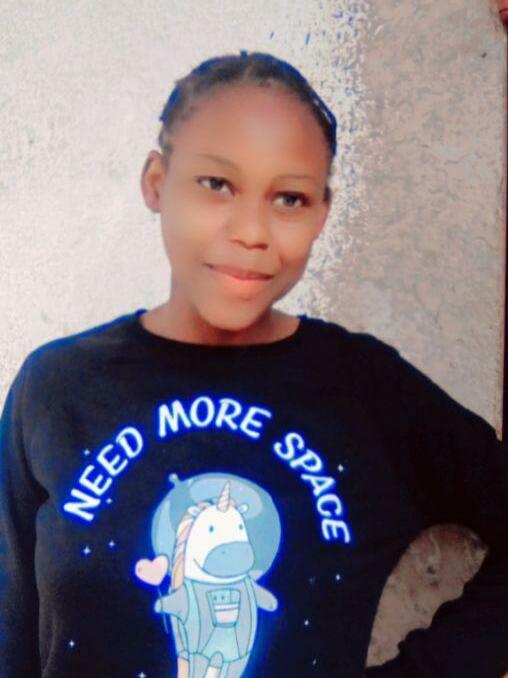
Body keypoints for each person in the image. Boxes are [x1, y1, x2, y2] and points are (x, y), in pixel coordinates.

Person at [1, 49, 507, 678]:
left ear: (321, 213)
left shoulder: (363, 389)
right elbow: (11, 630)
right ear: (157, 183)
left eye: (289, 197)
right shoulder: (56, 387)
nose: (251, 231)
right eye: (217, 184)